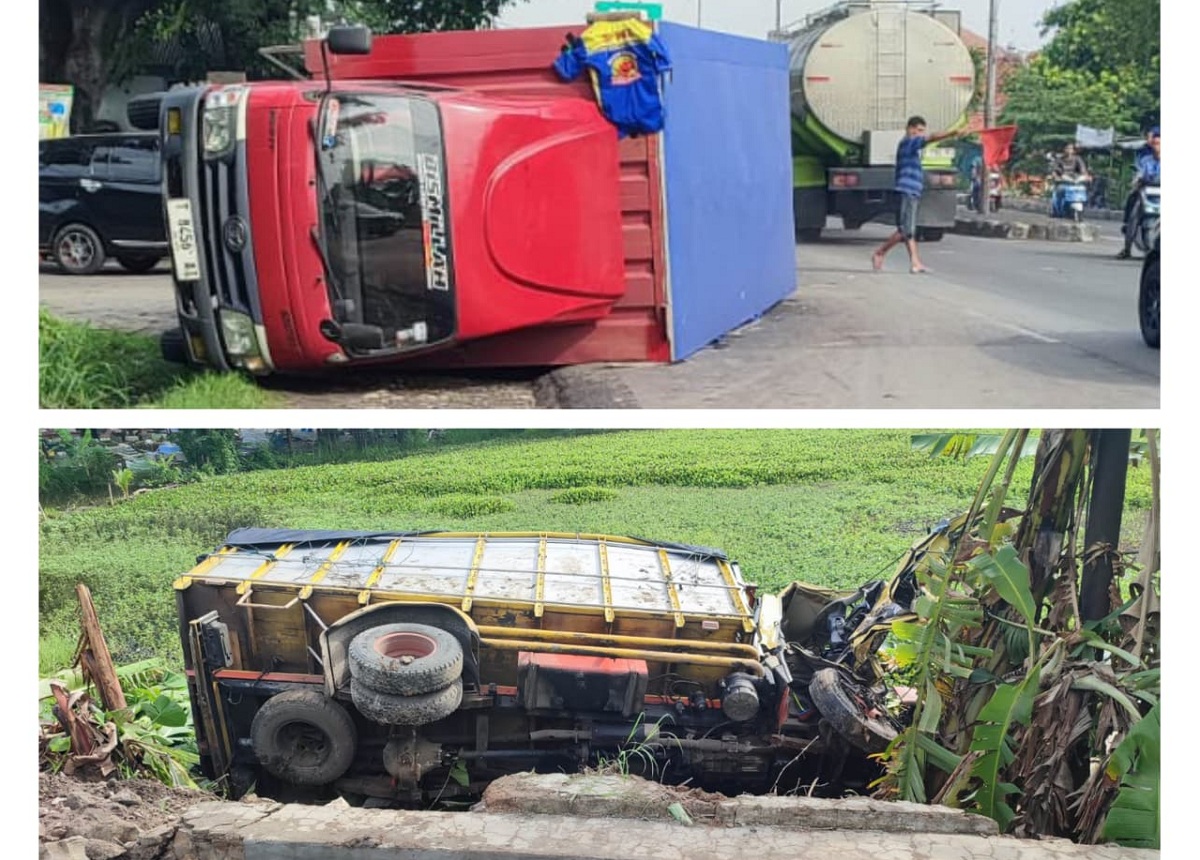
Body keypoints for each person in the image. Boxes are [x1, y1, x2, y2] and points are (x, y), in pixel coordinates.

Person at [872, 116, 966, 274]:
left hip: (912, 191)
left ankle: (915, 263)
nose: (922, 134)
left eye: (923, 131)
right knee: (905, 230)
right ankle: (880, 253)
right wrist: (954, 132)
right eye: (920, 130)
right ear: (911, 129)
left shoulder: (910, 147)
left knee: (909, 230)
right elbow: (931, 138)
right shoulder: (908, 143)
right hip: (907, 190)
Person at [1117, 127, 1160, 259]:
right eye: (1155, 143)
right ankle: (1127, 247)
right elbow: (1139, 172)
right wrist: (1138, 180)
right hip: (1146, 191)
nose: (1157, 146)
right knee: (1133, 213)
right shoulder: (1145, 159)